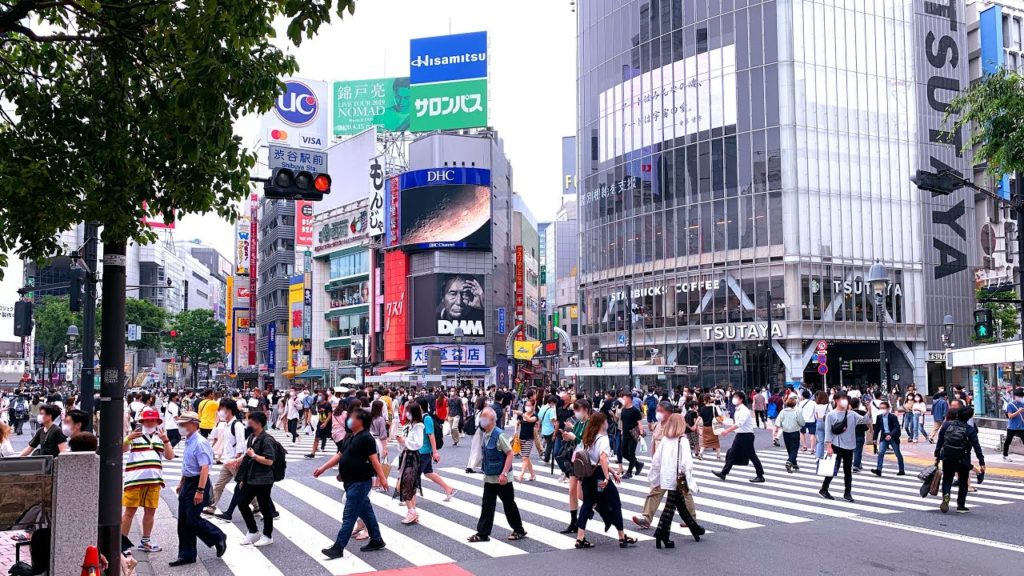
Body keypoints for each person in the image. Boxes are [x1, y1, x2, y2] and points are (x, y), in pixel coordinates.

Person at [315, 408, 388, 558]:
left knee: (349, 516)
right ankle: (376, 539)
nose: (349, 419)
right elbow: (339, 455)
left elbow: (374, 460)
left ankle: (338, 547)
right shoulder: (350, 437)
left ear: (360, 421)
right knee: (366, 512)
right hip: (350, 481)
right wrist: (323, 468)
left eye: (352, 417)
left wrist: (382, 478)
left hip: (360, 482)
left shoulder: (366, 438)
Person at [169, 411, 227, 567]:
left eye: (183, 424)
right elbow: (187, 465)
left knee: (192, 519)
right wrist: (182, 482)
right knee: (183, 521)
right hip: (188, 481)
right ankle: (186, 554)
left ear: (194, 425)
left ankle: (218, 536)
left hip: (197, 482)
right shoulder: (188, 440)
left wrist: (200, 491)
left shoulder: (200, 442)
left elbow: (204, 468)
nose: (180, 427)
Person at [573, 412, 636, 549]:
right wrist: (608, 477)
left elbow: (594, 460)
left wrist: (612, 472)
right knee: (615, 501)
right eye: (606, 421)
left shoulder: (589, 437)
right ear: (602, 423)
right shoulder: (603, 439)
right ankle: (621, 536)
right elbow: (602, 459)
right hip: (600, 478)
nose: (607, 423)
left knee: (587, 503)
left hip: (588, 475)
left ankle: (580, 538)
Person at [466, 407, 527, 543]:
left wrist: (504, 473)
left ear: (492, 420)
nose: (482, 419)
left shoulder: (499, 435)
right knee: (487, 505)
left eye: (484, 417)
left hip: (501, 478)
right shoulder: (485, 434)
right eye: (481, 416)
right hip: (490, 477)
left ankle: (519, 529)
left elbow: (510, 453)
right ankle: (482, 533)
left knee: (508, 504)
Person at [121, 408, 175, 553]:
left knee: (150, 511)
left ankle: (146, 541)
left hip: (154, 481)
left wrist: (166, 440)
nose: (150, 422)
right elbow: (122, 449)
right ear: (142, 421)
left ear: (157, 421)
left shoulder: (161, 436)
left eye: (153, 420)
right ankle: (122, 544)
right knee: (129, 512)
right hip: (135, 480)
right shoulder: (135, 435)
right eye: (147, 420)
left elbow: (170, 456)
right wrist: (128, 438)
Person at [648, 413, 705, 548]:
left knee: (678, 504)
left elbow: (656, 460)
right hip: (678, 477)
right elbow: (686, 463)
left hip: (666, 476)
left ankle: (694, 528)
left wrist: (654, 477)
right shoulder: (682, 440)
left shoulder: (665, 440)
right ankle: (661, 534)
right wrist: (690, 480)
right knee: (670, 507)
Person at [632, 401, 679, 530]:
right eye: (657, 410)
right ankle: (646, 518)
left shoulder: (674, 425)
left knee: (683, 493)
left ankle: (692, 518)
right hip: (660, 464)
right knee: (655, 489)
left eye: (661, 411)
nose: (658, 413)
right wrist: (654, 460)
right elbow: (654, 442)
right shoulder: (659, 424)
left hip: (672, 464)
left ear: (669, 412)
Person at [235, 411, 277, 547]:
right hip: (251, 478)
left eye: (250, 422)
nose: (248, 424)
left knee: (265, 508)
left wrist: (253, 455)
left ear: (258, 424)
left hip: (264, 480)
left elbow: (269, 461)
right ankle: (253, 531)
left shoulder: (267, 440)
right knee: (241, 503)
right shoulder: (252, 436)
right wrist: (242, 475)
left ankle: (267, 535)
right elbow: (248, 456)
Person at [819, 392, 869, 503]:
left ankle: (847, 493)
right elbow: (828, 431)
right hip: (836, 445)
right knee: (833, 469)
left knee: (848, 470)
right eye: (842, 399)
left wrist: (869, 410)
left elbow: (865, 420)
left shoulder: (852, 414)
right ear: (836, 400)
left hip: (850, 445)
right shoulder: (831, 415)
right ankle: (824, 489)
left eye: (846, 399)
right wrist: (829, 446)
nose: (844, 401)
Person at [935, 407, 986, 513]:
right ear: (970, 417)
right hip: (963, 458)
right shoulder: (970, 430)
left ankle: (946, 496)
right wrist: (981, 462)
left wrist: (937, 456)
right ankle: (961, 505)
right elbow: (977, 446)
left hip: (948, 457)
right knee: (963, 481)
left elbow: (940, 441)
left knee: (947, 479)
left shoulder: (946, 425)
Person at [205, 400, 247, 516]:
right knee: (219, 484)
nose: (220, 412)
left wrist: (237, 459)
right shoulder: (226, 425)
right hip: (227, 460)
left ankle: (257, 505)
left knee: (242, 486)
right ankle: (211, 507)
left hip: (234, 461)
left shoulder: (237, 425)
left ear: (230, 410)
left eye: (222, 409)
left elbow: (241, 443)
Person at [712, 391, 765, 483]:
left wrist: (727, 431)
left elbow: (739, 424)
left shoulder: (744, 410)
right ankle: (723, 473)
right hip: (740, 435)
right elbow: (736, 424)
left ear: (741, 399)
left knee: (752, 455)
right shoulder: (738, 409)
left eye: (736, 397)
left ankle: (760, 475)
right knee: (732, 453)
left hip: (746, 436)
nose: (734, 399)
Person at [416, 398, 456, 502]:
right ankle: (449, 489)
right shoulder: (420, 417)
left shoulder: (427, 418)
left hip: (424, 450)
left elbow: (431, 435)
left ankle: (408, 498)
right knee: (428, 472)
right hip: (422, 450)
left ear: (420, 406)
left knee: (415, 474)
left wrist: (435, 452)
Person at [394, 401, 425, 524]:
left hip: (412, 458)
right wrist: (401, 441)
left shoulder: (418, 426)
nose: (406, 413)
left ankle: (411, 511)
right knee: (409, 484)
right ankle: (412, 511)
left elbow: (418, 444)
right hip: (406, 456)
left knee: (407, 484)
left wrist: (404, 441)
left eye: (408, 411)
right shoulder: (410, 425)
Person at [870, 401, 905, 476]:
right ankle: (879, 470)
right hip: (884, 437)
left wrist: (891, 435)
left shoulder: (893, 417)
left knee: (897, 453)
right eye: (880, 408)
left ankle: (901, 469)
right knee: (881, 453)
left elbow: (896, 427)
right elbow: (877, 428)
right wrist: (874, 438)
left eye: (884, 408)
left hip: (893, 437)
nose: (882, 409)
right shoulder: (879, 417)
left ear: (888, 409)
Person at [618, 392, 645, 479]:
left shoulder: (635, 411)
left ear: (629, 399)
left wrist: (640, 434)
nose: (623, 400)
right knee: (623, 452)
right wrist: (622, 430)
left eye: (624, 398)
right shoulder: (623, 410)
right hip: (625, 434)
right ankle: (638, 464)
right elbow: (622, 421)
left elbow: (639, 423)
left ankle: (629, 472)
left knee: (631, 453)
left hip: (633, 434)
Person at [775, 397, 805, 473]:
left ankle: (794, 463)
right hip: (794, 432)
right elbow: (802, 422)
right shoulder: (796, 412)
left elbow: (778, 423)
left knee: (789, 449)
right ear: (794, 404)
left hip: (785, 432)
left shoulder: (782, 411)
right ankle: (789, 462)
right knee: (794, 449)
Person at [307, 392, 334, 459]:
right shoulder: (318, 404)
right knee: (317, 437)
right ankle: (313, 453)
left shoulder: (328, 404)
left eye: (320, 395)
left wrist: (325, 423)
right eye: (318, 395)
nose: (319, 396)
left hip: (328, 423)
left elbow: (330, 415)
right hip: (320, 422)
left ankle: (341, 450)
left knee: (333, 437)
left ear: (324, 396)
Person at [516, 399, 538, 482]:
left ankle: (521, 475)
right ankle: (532, 475)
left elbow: (529, 420)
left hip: (529, 438)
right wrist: (515, 431)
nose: (527, 407)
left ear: (533, 406)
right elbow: (517, 423)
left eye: (529, 405)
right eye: (526, 405)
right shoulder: (522, 415)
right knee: (526, 458)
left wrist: (522, 414)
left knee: (525, 458)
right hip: (521, 438)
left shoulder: (535, 415)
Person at [1002, 388, 1024, 462]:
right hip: (1012, 427)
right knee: (1008, 441)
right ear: (1015, 396)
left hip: (1021, 427)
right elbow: (1010, 416)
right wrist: (1018, 411)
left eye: (1022, 396)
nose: (1021, 398)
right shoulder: (1010, 405)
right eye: (1019, 396)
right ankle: (1005, 456)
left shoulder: (1023, 404)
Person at [697, 394, 722, 459]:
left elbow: (699, 418)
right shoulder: (713, 408)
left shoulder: (702, 409)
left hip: (705, 428)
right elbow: (717, 418)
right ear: (709, 400)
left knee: (705, 442)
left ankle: (700, 453)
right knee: (716, 442)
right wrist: (721, 422)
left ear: (705, 400)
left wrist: (695, 425)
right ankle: (718, 456)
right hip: (712, 428)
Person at [850, 397, 870, 472]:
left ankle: (858, 463)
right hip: (860, 433)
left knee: (852, 450)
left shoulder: (848, 413)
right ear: (858, 404)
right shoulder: (863, 412)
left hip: (850, 434)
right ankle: (856, 465)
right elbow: (867, 422)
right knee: (858, 450)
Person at [538, 395, 558, 463]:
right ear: (552, 402)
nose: (554, 405)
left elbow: (539, 417)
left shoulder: (542, 407)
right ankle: (546, 458)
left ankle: (546, 456)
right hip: (550, 430)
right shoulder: (551, 409)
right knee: (549, 445)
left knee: (548, 444)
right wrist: (556, 424)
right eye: (554, 403)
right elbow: (552, 420)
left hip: (544, 429)